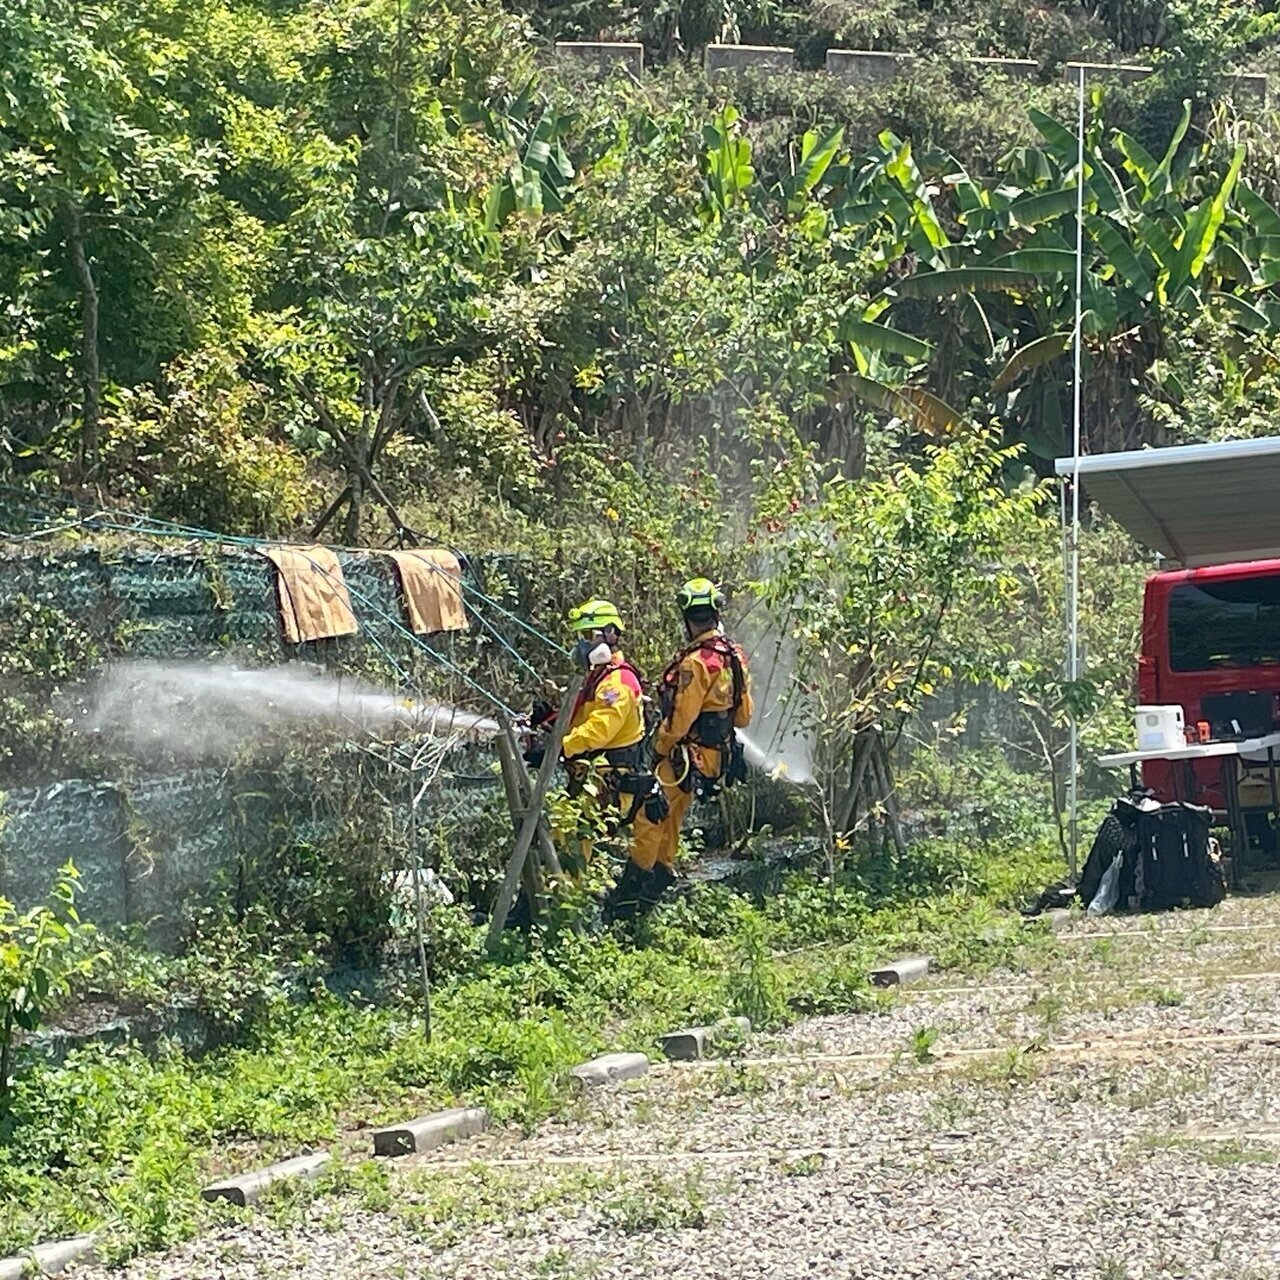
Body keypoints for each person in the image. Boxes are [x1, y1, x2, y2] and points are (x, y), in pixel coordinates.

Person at [622, 578, 754, 917]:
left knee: (649, 815)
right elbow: (743, 716)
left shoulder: (696, 663)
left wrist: (659, 746)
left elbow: (681, 720)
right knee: (670, 818)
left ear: (687, 618)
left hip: (684, 758)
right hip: (712, 759)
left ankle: (632, 893)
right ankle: (658, 879)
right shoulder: (733, 656)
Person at [553, 598, 650, 873]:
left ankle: (569, 903)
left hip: (608, 784)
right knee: (564, 835)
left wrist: (559, 748)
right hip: (593, 778)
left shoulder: (617, 682)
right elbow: (585, 717)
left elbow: (598, 730)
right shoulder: (601, 676)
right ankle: (562, 896)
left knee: (573, 839)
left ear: (609, 635)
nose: (582, 644)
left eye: (587, 636)